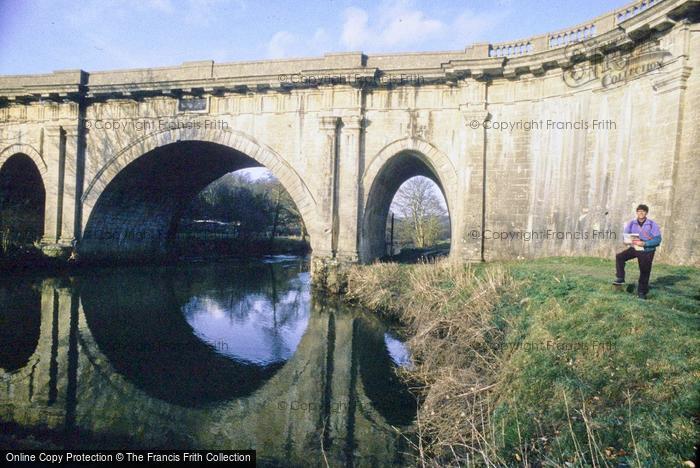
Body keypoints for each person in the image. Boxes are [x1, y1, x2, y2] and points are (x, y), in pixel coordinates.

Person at [613, 204, 662, 299]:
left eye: (643, 211)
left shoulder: (652, 224)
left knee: (644, 271)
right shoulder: (632, 223)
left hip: (647, 250)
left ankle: (641, 292)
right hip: (635, 248)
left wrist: (645, 243)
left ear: (646, 213)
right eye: (639, 211)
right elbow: (626, 234)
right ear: (637, 212)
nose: (641, 213)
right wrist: (626, 240)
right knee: (620, 257)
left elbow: (658, 239)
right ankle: (620, 278)